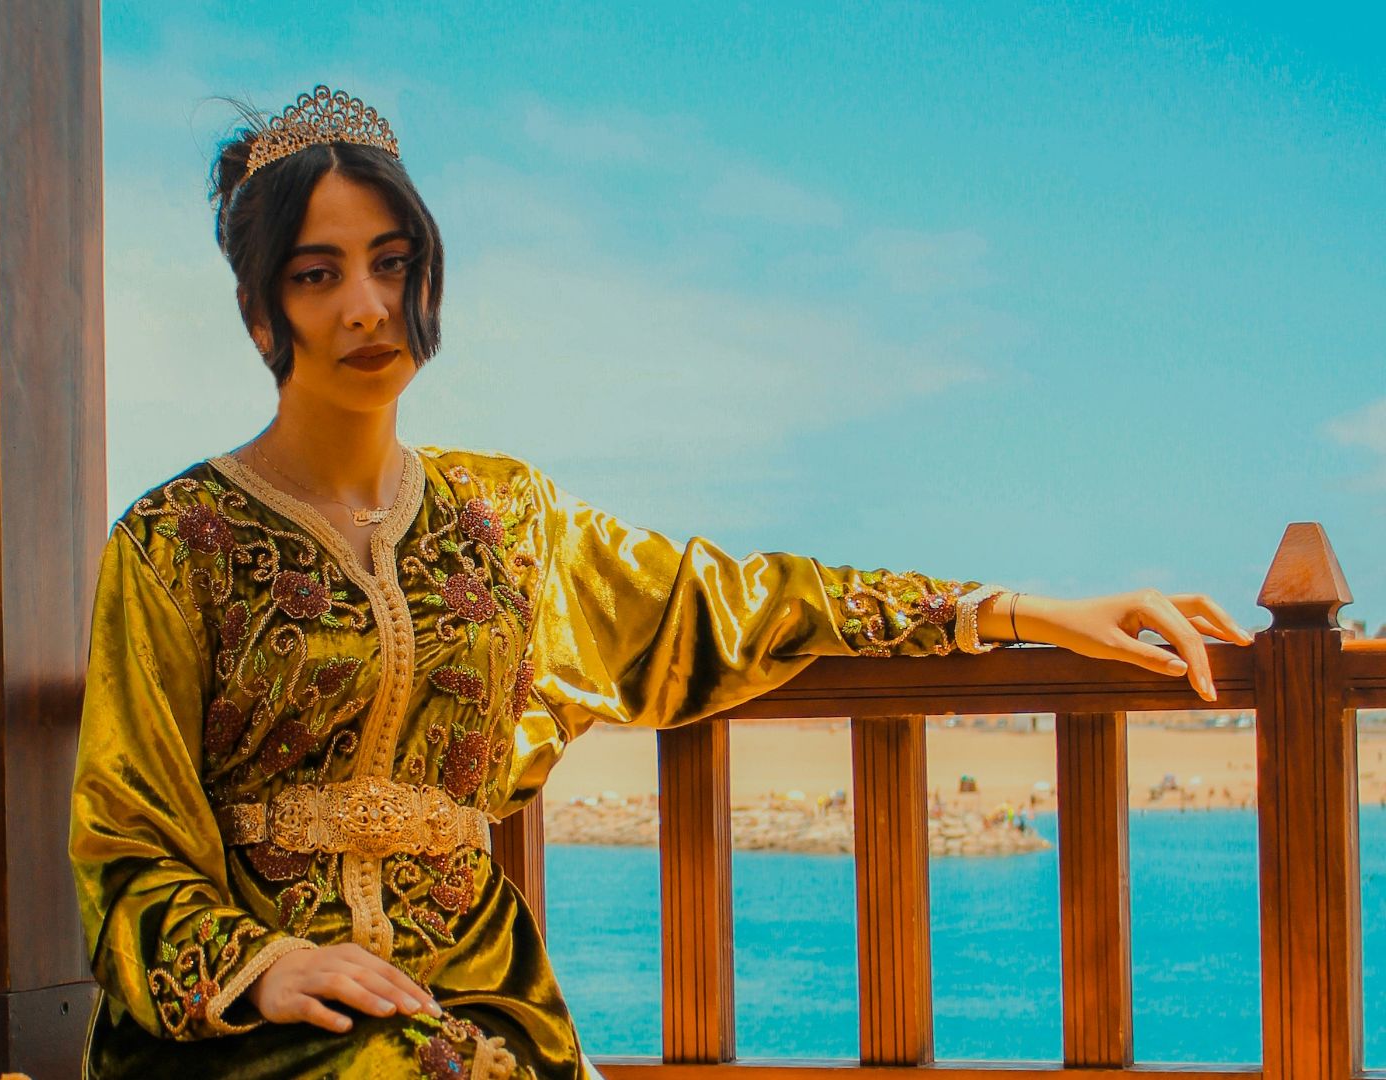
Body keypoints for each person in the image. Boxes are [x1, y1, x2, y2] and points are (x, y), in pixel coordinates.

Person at [68, 85, 1253, 1080]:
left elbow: (729, 602)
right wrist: (266, 966)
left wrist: (1014, 611)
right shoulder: (177, 541)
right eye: (318, 275)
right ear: (260, 305)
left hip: (475, 998)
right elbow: (124, 843)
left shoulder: (505, 521)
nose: (368, 306)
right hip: (253, 1024)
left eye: (391, 261)